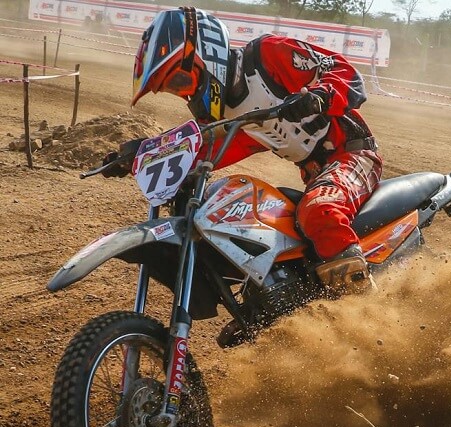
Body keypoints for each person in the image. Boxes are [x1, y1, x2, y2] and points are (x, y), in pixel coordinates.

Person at [113, 6, 380, 294]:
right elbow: (200, 148)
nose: (184, 94)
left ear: (206, 53)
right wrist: (141, 155)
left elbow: (344, 71)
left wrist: (320, 96)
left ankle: (364, 305)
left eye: (180, 81)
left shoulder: (268, 55)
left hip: (353, 155)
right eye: (174, 90)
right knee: (247, 223)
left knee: (320, 210)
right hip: (315, 175)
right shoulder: (225, 114)